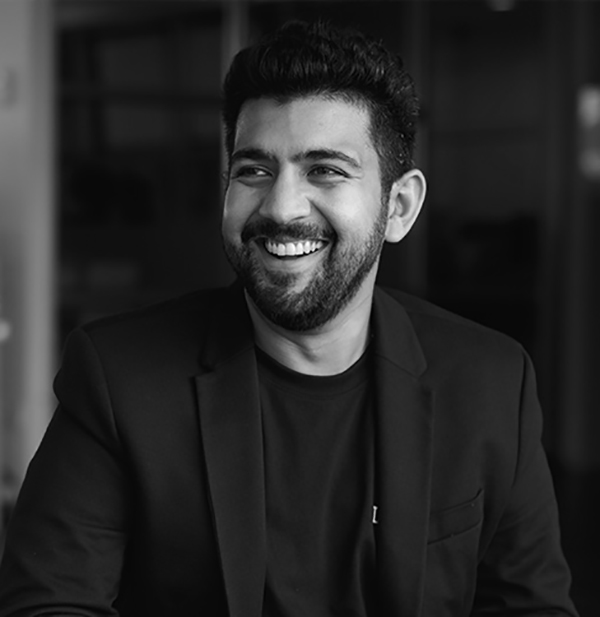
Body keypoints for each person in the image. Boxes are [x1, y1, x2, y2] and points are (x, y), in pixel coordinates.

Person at [0, 20, 578, 617]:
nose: (281, 207)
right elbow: (49, 604)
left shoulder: (491, 382)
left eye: (325, 170)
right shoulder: (119, 379)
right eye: (254, 170)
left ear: (399, 207)